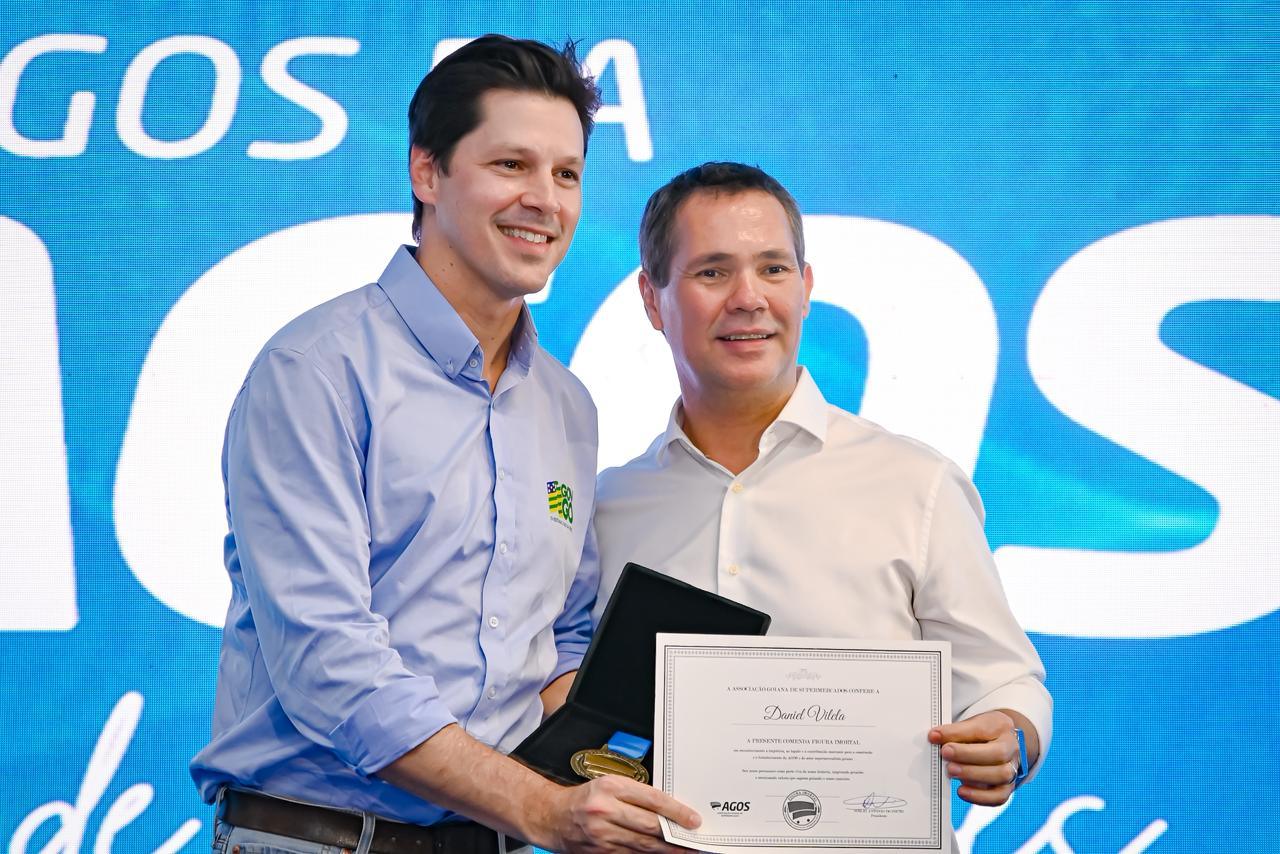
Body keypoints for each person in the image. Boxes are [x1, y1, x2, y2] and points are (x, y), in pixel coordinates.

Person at [190, 35, 698, 854]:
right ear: (426, 173)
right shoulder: (316, 370)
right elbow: (327, 658)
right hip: (320, 840)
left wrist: (642, 766)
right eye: (511, 165)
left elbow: (558, 643)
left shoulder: (565, 405)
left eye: (567, 174)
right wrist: (542, 809)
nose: (545, 200)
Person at [593, 162, 1052, 818]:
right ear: (651, 299)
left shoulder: (914, 484)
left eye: (773, 269)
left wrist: (1009, 739)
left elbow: (1005, 681)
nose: (749, 297)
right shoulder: (610, 509)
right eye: (712, 272)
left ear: (805, 288)